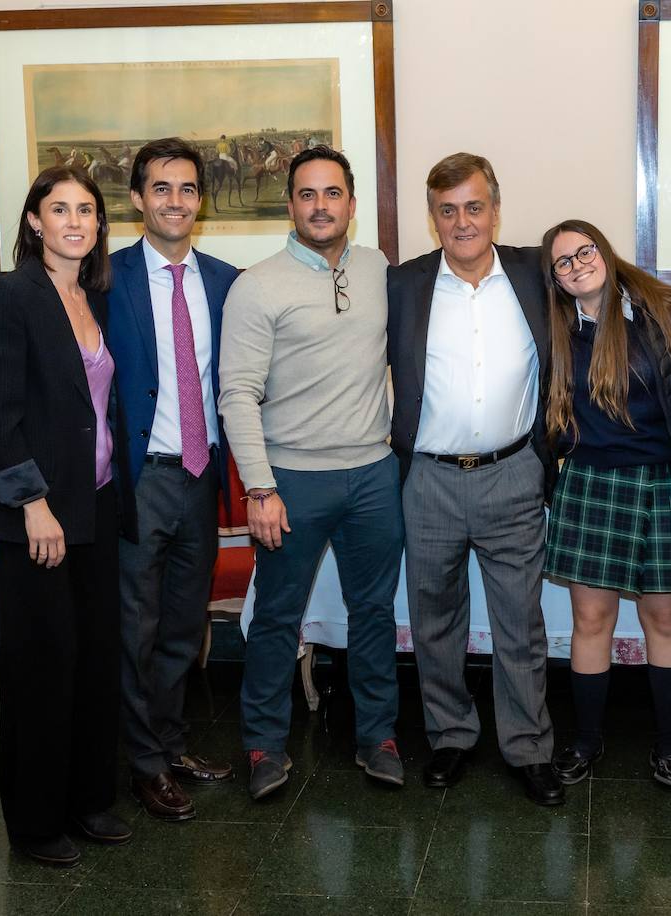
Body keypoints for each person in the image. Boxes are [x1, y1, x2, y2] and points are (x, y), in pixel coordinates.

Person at [218, 146, 404, 800]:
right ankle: (265, 746)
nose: (320, 205)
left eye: (332, 194)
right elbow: (237, 393)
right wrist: (259, 488)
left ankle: (377, 737)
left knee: (375, 613)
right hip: (291, 482)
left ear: (352, 203)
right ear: (290, 204)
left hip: (375, 477)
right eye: (306, 194)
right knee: (277, 617)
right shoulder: (258, 285)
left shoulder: (381, 269)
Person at [386, 153, 562, 806]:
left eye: (474, 206)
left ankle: (528, 748)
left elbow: (610, 292)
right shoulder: (403, 285)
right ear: (433, 218)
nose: (463, 221)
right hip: (428, 479)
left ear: (496, 207)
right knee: (435, 622)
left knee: (521, 624)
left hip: (513, 473)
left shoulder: (532, 273)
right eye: (448, 209)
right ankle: (451, 736)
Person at [0, 166, 128, 867]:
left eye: (87, 210)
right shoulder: (12, 296)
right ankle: (35, 824)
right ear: (34, 220)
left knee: (94, 661)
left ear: (98, 225)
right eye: (59, 208)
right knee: (43, 666)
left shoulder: (93, 295)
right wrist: (32, 504)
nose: (74, 220)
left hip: (95, 506)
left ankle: (86, 800)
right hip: (39, 517)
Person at [539, 219, 671, 790]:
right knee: (590, 620)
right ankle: (586, 742)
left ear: (605, 251)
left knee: (664, 619)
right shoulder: (557, 330)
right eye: (563, 262)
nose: (576, 265)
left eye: (584, 251)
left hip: (665, 482)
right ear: (555, 278)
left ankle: (669, 749)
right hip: (592, 483)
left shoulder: (662, 309)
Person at [107, 137, 240, 821]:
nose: (176, 201)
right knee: (137, 626)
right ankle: (144, 764)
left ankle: (170, 743)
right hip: (138, 480)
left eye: (188, 189)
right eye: (162, 188)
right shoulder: (106, 278)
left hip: (200, 477)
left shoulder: (225, 280)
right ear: (137, 199)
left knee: (184, 627)